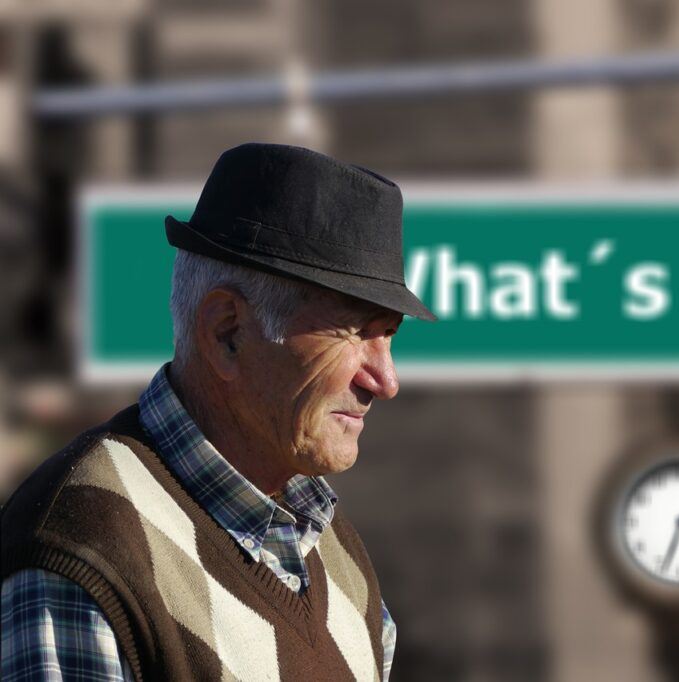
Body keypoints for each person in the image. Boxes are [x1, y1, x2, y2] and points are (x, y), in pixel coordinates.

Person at [1, 142, 436, 681]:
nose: (385, 381)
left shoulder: (335, 552)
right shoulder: (86, 546)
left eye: (388, 336)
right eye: (354, 332)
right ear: (226, 332)